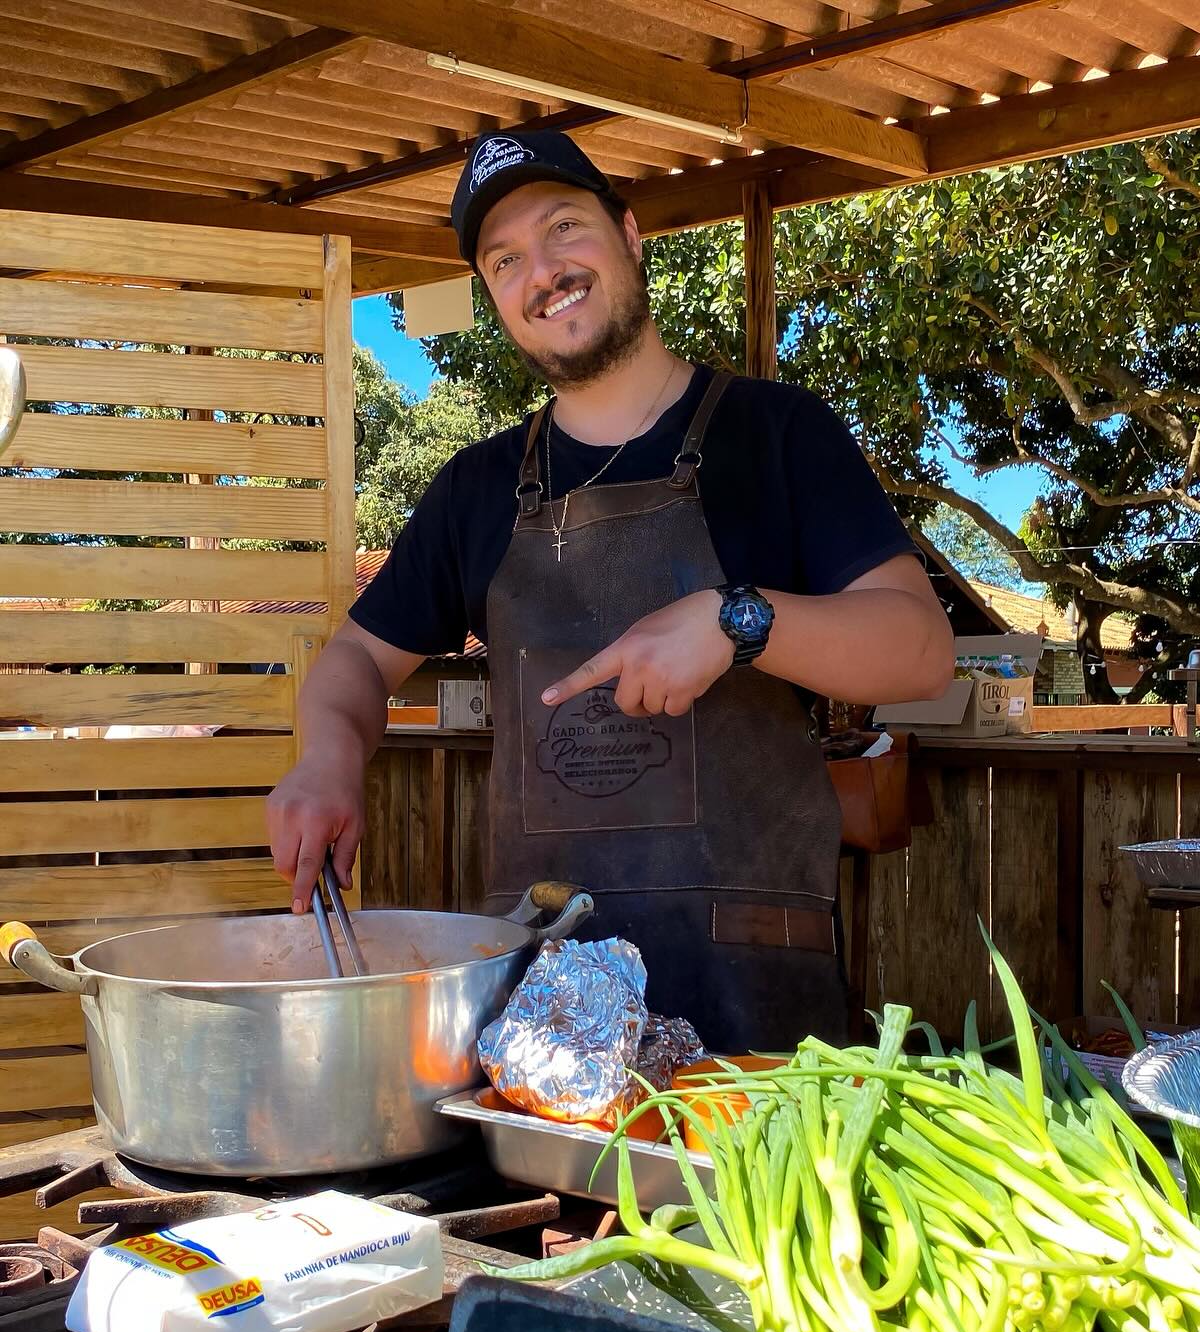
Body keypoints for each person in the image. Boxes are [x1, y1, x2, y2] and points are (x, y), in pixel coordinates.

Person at [267, 130, 953, 1052]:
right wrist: (325, 758)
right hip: (541, 1009)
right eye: (504, 260)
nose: (541, 270)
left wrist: (735, 622)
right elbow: (355, 656)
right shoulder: (475, 490)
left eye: (563, 229)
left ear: (630, 235)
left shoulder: (779, 435)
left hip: (757, 1016)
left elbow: (918, 648)